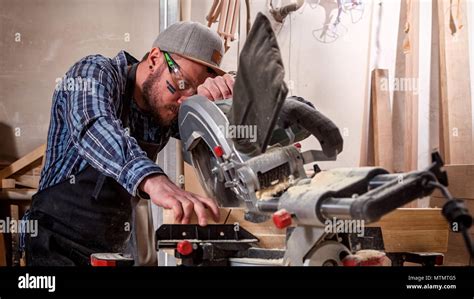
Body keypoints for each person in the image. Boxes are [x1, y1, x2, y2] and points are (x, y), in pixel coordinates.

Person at [24, 21, 234, 266]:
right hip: (55, 241)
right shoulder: (94, 72)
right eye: (181, 85)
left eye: (192, 95)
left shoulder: (168, 108)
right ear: (155, 58)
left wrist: (227, 100)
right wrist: (152, 179)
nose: (181, 103)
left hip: (111, 248)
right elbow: (94, 126)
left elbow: (208, 139)